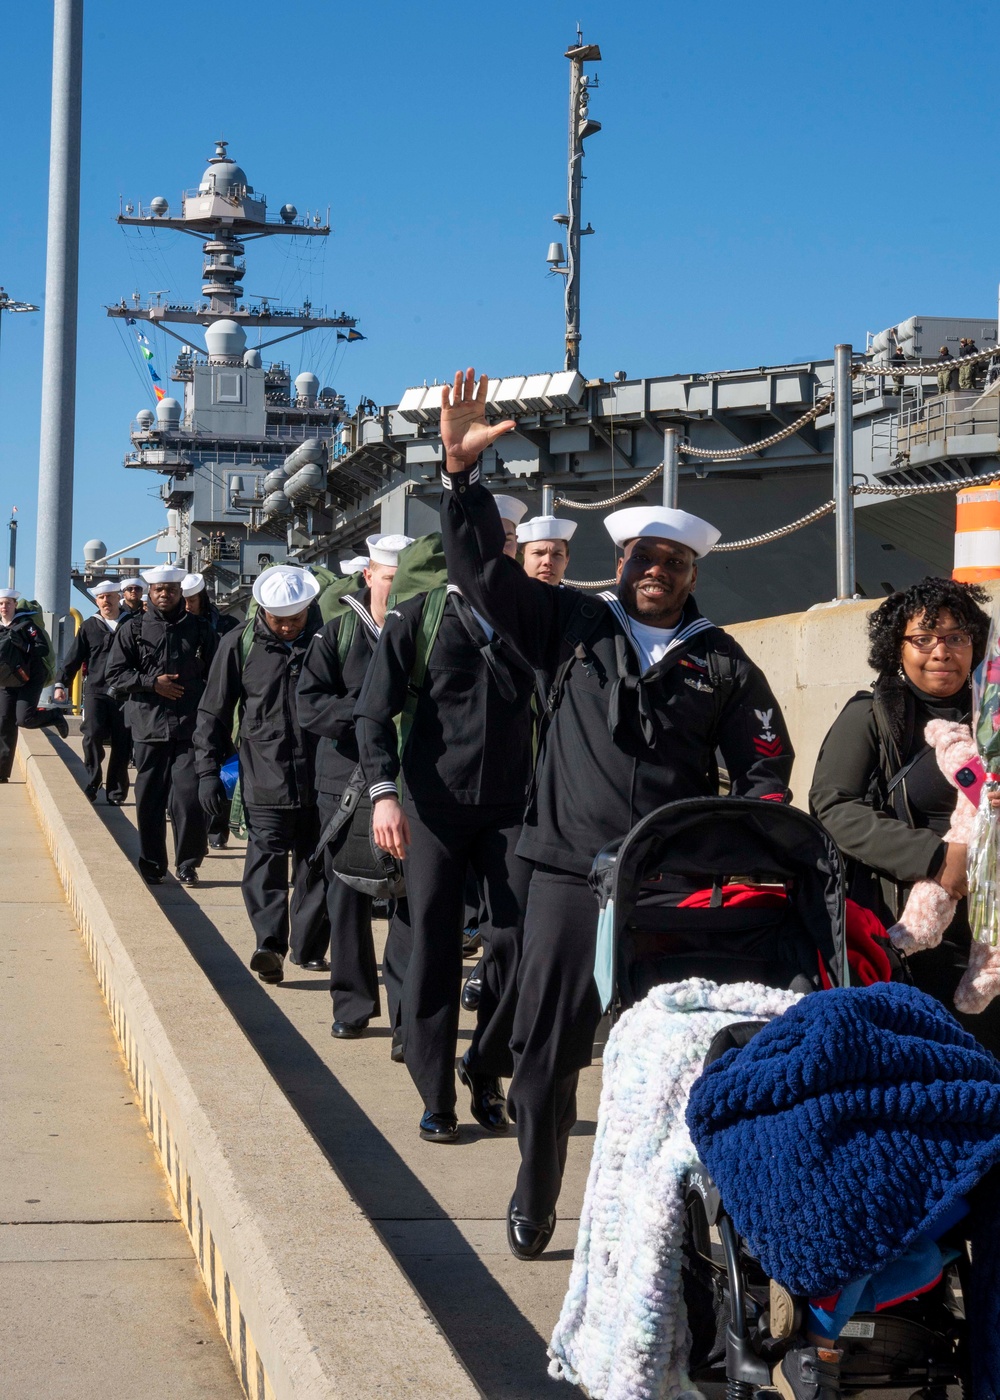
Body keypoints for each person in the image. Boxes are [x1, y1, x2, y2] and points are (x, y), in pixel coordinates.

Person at [426, 367, 793, 1257]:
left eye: (674, 562)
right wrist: (462, 479)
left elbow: (766, 768)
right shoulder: (571, 628)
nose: (656, 571)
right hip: (563, 873)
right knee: (548, 1051)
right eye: (643, 558)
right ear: (620, 564)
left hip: (669, 885)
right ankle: (535, 1192)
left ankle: (670, 1217)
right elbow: (479, 573)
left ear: (692, 573)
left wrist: (739, 845)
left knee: (669, 1055)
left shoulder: (722, 663)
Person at [356, 494, 537, 1146]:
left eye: (511, 536)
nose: (502, 545)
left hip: (513, 809)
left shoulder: (535, 616)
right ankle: (436, 1096)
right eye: (491, 534)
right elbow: (373, 713)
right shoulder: (418, 616)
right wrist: (383, 795)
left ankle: (485, 1062)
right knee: (433, 946)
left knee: (517, 942)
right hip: (432, 809)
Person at [809, 577, 1000, 1057]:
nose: (942, 651)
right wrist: (938, 861)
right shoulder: (871, 717)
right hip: (912, 935)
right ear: (898, 647)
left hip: (991, 935)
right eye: (924, 639)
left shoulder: (991, 714)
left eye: (957, 637)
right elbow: (833, 807)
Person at [297, 533, 412, 1036]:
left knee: (412, 899)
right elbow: (309, 706)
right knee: (346, 894)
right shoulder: (338, 634)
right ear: (370, 576)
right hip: (344, 783)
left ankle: (410, 1016)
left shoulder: (425, 631)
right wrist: (371, 710)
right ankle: (352, 1004)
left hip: (411, 780)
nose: (399, 589)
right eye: (391, 579)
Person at [195, 565, 328, 985]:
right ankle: (269, 945)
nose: (288, 627)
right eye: (279, 619)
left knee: (316, 866)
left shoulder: (331, 643)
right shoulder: (239, 645)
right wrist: (207, 771)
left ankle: (308, 949)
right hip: (264, 775)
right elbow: (212, 711)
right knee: (265, 862)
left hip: (323, 777)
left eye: (296, 618)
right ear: (262, 613)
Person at [105, 564, 217, 885]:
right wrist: (152, 683)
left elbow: (218, 675)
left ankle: (188, 861)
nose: (164, 594)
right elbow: (115, 674)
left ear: (181, 592)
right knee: (150, 797)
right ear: (150, 594)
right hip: (149, 727)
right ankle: (153, 861)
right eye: (159, 590)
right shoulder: (133, 629)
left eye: (171, 590)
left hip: (190, 728)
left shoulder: (200, 630)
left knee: (188, 796)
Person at [53, 580, 130, 804]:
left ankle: (116, 792)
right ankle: (92, 782)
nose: (106, 601)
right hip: (97, 690)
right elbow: (74, 658)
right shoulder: (89, 626)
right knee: (92, 735)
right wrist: (61, 684)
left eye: (110, 596)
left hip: (125, 692)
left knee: (122, 742)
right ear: (97, 601)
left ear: (118, 598)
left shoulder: (132, 624)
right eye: (102, 597)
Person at [0, 588, 68, 782]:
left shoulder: (26, 625)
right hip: (6, 679)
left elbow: (42, 648)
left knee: (23, 719)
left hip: (30, 677)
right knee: (4, 722)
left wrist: (25, 646)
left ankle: (54, 715)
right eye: (1, 603)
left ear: (14, 605)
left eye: (8, 603)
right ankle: (2, 772)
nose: (4, 607)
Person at [517, 514, 576, 586]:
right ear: (522, 558)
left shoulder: (575, 597)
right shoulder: (507, 596)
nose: (548, 561)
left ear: (566, 561)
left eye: (557, 555)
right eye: (538, 553)